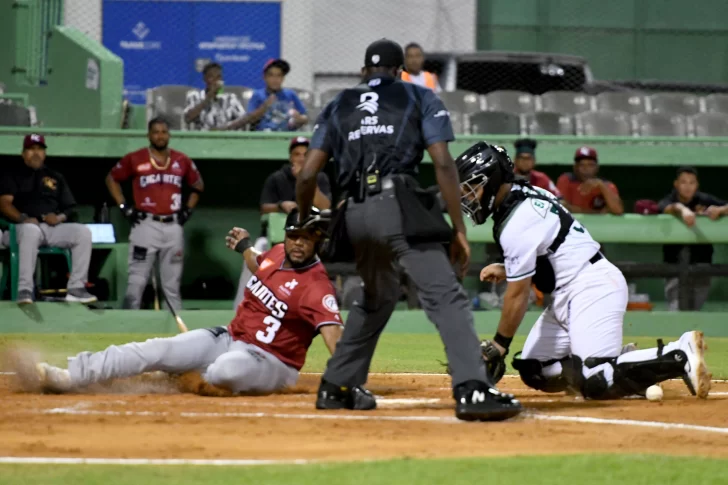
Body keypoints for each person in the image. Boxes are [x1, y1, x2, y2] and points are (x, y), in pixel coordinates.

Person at [296, 38, 522, 421]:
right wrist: (458, 227)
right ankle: (472, 388)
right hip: (395, 205)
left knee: (378, 296)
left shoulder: (339, 103)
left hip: (352, 214)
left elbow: (306, 174)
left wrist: (302, 218)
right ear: (401, 70)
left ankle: (336, 385)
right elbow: (444, 164)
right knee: (446, 297)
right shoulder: (419, 97)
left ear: (365, 71)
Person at [455, 141, 711, 401]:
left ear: (493, 180)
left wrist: (500, 345)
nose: (468, 196)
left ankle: (678, 353)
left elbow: (518, 295)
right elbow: (548, 256)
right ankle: (621, 365)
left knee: (595, 380)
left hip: (592, 287)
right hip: (569, 292)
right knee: (536, 369)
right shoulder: (523, 193)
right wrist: (509, 268)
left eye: (472, 187)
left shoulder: (516, 220)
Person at [34, 211, 343, 395]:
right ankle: (73, 374)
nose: (298, 243)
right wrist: (244, 247)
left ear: (317, 240)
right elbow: (258, 263)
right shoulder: (277, 253)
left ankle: (183, 377)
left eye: (306, 237)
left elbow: (334, 338)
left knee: (225, 372)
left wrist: (346, 377)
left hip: (273, 362)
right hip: (229, 337)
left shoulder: (317, 287)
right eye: (294, 236)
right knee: (156, 348)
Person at [106, 118, 204, 310]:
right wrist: (123, 206)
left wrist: (188, 210)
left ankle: (175, 334)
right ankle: (127, 328)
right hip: (145, 224)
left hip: (173, 226)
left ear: (169, 135)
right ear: (149, 135)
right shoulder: (135, 158)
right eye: (156, 132)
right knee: (136, 282)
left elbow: (198, 185)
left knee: (172, 285)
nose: (160, 136)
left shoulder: (181, 160)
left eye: (164, 132)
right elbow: (111, 178)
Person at [232, 136, 332, 309]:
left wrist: (308, 179)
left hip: (306, 242)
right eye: (296, 154)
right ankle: (240, 310)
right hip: (272, 240)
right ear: (290, 157)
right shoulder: (278, 177)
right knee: (252, 265)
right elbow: (264, 207)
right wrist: (280, 205)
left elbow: (326, 207)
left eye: (305, 154)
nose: (301, 158)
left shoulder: (320, 178)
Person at [0, 134, 97, 304]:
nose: (36, 153)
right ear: (23, 153)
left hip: (49, 229)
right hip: (18, 230)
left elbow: (69, 208)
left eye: (39, 149)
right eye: (31, 149)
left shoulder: (55, 177)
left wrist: (59, 217)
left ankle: (76, 288)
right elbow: (4, 204)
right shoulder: (12, 174)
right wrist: (23, 218)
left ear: (44, 153)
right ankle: (25, 290)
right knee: (31, 230)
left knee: (83, 232)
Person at [659, 166, 728, 311]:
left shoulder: (703, 199)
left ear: (697, 185)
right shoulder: (671, 199)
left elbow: (723, 206)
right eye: (683, 182)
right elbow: (666, 207)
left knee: (694, 314)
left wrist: (719, 210)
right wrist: (683, 210)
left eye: (692, 183)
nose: (688, 187)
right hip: (674, 267)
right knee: (676, 312)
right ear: (676, 184)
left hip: (702, 264)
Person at [227, 59, 308, 132]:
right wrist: (264, 107)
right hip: (263, 137)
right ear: (264, 77)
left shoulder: (290, 94)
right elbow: (249, 119)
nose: (275, 79)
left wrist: (300, 119)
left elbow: (305, 117)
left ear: (283, 78)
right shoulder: (258, 95)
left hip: (285, 137)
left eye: (279, 75)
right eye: (271, 75)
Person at [556, 147, 623, 214]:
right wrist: (598, 213)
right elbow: (562, 208)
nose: (586, 169)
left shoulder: (606, 185)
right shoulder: (566, 180)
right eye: (582, 165)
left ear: (597, 168)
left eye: (590, 165)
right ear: (575, 167)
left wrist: (601, 186)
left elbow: (618, 211)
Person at [183, 62, 247, 131]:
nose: (216, 81)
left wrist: (226, 128)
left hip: (226, 137)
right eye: (211, 77)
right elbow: (188, 118)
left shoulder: (230, 98)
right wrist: (209, 97)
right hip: (202, 137)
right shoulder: (194, 96)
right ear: (205, 79)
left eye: (219, 77)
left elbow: (244, 119)